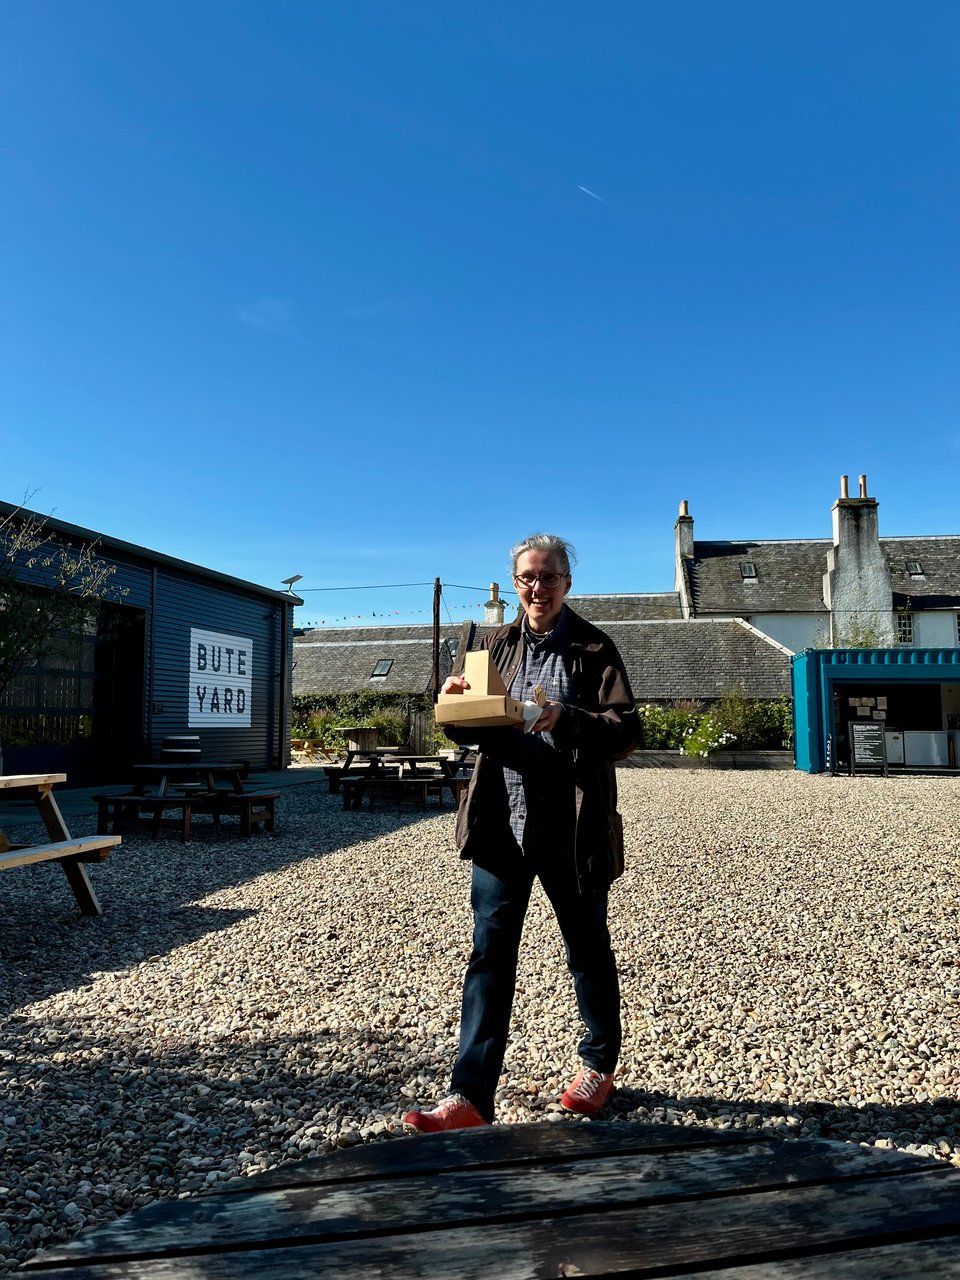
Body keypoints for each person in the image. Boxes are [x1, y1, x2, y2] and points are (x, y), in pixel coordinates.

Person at [402, 533, 640, 1132]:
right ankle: (470, 1098)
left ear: (567, 582)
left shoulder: (594, 647)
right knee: (488, 956)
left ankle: (598, 1066)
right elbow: (465, 731)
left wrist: (568, 718)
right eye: (528, 578)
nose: (538, 587)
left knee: (587, 946)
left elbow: (626, 732)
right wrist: (451, 702)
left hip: (574, 824)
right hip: (501, 821)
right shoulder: (490, 647)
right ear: (515, 583)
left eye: (550, 577)